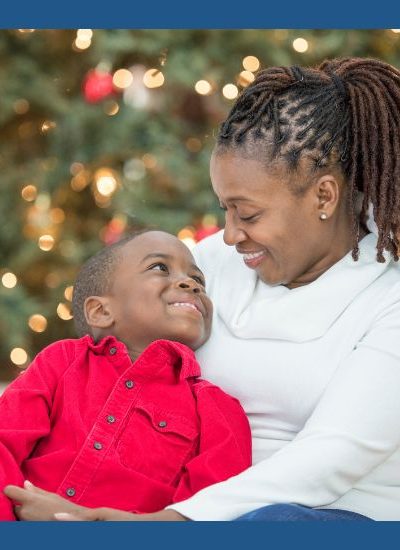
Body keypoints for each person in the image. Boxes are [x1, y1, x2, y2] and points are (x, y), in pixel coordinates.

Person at [5, 55, 400, 522]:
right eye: (224, 211)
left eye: (247, 214)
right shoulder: (212, 262)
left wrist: (164, 525)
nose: (229, 235)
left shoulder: (386, 298)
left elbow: (332, 457)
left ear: (324, 195)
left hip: (329, 515)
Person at [0, 230, 252, 520]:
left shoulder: (217, 410)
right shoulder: (62, 362)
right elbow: (4, 444)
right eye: (160, 268)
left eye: (199, 280)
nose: (191, 284)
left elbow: (206, 512)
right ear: (101, 311)